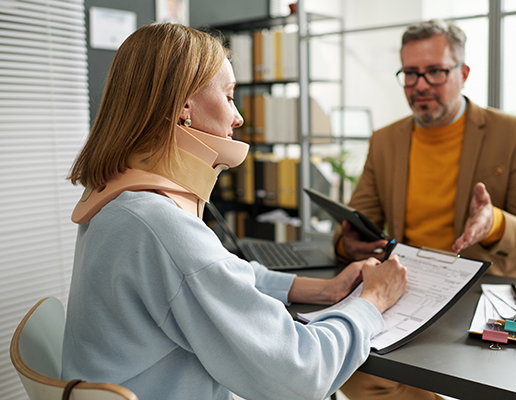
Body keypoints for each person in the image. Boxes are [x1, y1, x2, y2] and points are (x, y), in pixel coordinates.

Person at [62, 22, 409, 400]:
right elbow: (301, 373)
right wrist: (371, 302)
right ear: (183, 108)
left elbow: (211, 275)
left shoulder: (118, 199)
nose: (238, 117)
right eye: (229, 96)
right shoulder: (158, 224)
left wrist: (323, 289)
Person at [335, 19, 516, 400]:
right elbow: (355, 225)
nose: (420, 84)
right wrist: (347, 246)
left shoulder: (513, 134)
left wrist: (494, 223)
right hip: (412, 293)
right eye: (410, 73)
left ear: (464, 73)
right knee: (355, 371)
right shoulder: (386, 141)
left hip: (485, 296)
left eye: (435, 72)